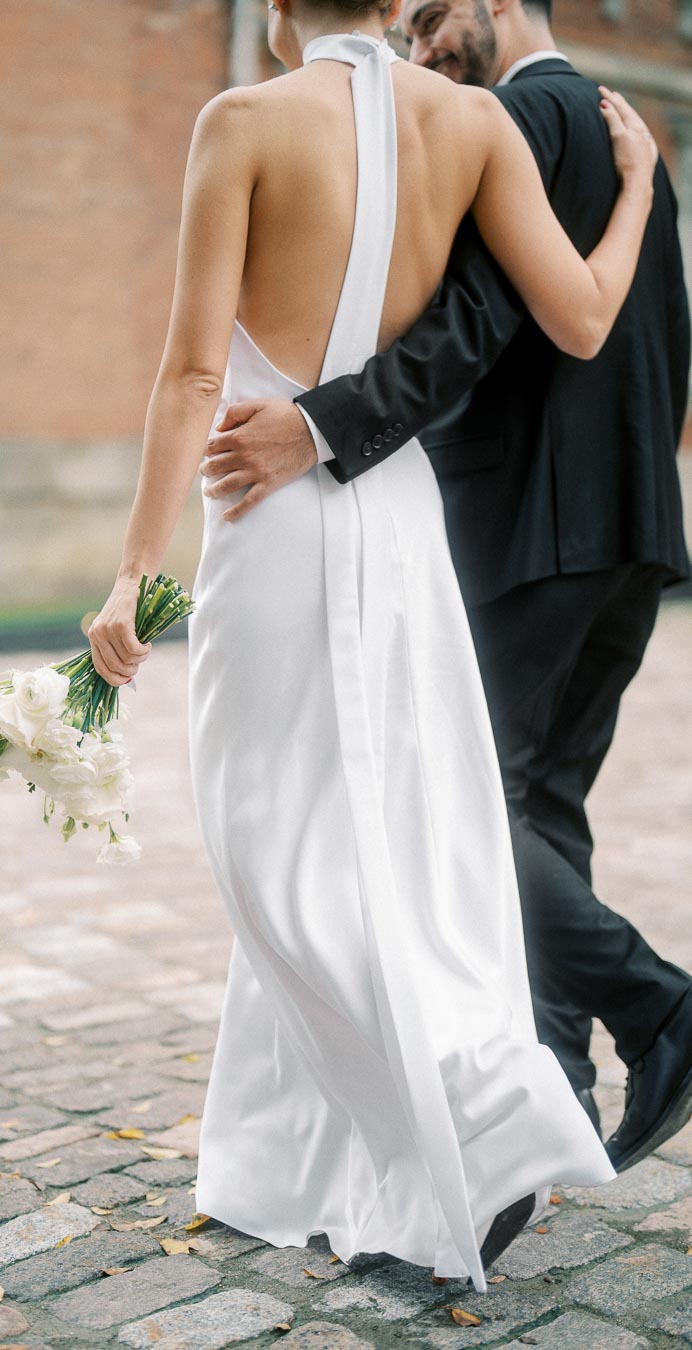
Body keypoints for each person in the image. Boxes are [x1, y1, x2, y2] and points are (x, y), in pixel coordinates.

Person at [88, 0, 656, 1289]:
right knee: (382, 824)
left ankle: (486, 1107)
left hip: (271, 516)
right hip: (399, 513)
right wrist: (634, 196)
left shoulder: (239, 122)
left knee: (272, 843)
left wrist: (129, 571)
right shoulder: (470, 122)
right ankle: (282, 1156)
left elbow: (189, 375)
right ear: (401, 7)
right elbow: (578, 317)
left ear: (281, 6)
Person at [198, 0, 692, 1175]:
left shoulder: (508, 116)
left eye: (432, 19)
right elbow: (660, 329)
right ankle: (554, 1091)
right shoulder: (637, 145)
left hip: (527, 528)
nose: (419, 46)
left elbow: (469, 324)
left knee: (470, 815)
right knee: (542, 812)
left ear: (500, 3)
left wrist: (320, 423)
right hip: (630, 533)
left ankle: (660, 1005)